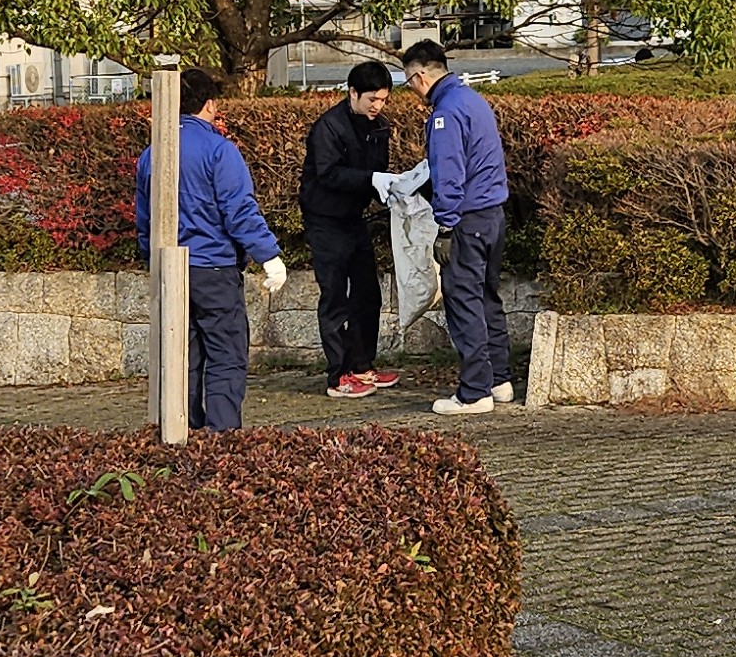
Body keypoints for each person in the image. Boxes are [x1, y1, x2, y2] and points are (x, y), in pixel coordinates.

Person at [136, 69, 287, 432]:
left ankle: (182, 429)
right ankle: (222, 438)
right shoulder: (220, 150)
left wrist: (150, 259)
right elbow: (239, 211)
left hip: (170, 270)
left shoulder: (151, 153)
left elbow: (145, 219)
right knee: (225, 354)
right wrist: (269, 256)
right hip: (215, 269)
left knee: (182, 357)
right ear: (210, 104)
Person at [401, 40, 511, 414]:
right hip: (493, 214)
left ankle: (474, 392)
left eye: (409, 82)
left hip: (467, 219)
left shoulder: (445, 114)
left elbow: (449, 174)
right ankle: (500, 380)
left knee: (464, 302)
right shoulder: (474, 100)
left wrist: (445, 227)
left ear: (419, 76)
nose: (413, 91)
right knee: (487, 298)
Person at [300, 60, 403, 398]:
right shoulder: (329, 127)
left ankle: (362, 366)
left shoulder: (379, 127)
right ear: (353, 92)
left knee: (367, 293)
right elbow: (328, 174)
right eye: (371, 99)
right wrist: (371, 179)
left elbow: (377, 173)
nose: (377, 106)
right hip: (325, 220)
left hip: (354, 219)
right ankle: (338, 375)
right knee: (334, 296)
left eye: (383, 100)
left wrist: (395, 189)